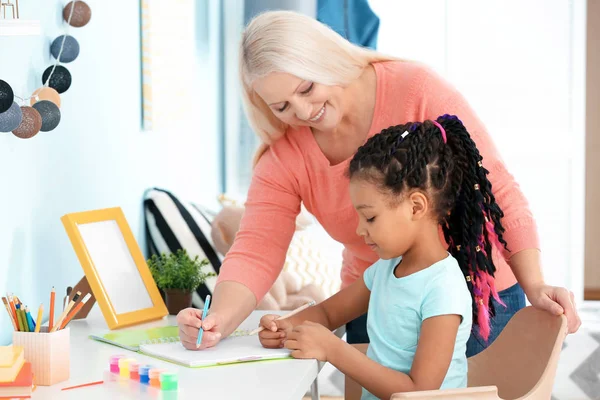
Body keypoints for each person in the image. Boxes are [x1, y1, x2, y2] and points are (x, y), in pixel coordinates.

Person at [176, 10, 581, 356]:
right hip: (375, 304)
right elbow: (256, 248)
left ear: (326, 60)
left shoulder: (414, 90)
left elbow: (495, 188)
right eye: (281, 106)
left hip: (476, 294)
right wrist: (217, 322)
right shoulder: (283, 155)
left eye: (307, 88)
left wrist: (536, 283)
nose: (302, 111)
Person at [258, 115, 503, 399]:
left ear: (415, 207)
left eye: (370, 217)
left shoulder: (443, 288)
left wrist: (334, 350)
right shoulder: (386, 269)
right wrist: (286, 325)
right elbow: (328, 313)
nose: (360, 230)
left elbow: (419, 391)